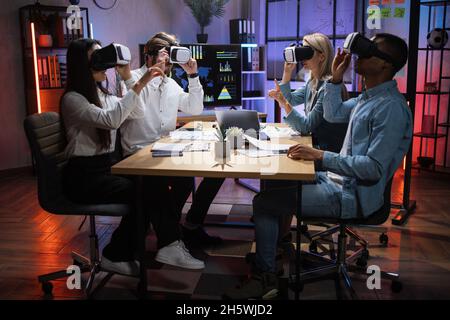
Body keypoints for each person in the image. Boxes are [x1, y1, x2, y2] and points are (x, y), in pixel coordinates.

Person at [224, 33, 413, 299]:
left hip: (351, 194)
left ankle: (266, 278)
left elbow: (373, 168)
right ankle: (277, 248)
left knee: (264, 203)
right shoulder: (368, 98)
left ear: (385, 65)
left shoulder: (390, 108)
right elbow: (334, 113)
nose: (359, 56)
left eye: (368, 52)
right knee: (277, 180)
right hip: (336, 178)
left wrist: (321, 156)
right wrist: (336, 77)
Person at [60, 38, 165, 276]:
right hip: (83, 177)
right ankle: (115, 255)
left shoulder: (103, 94)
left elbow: (136, 111)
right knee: (142, 193)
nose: (102, 63)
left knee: (154, 184)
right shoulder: (73, 99)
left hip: (106, 168)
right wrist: (141, 82)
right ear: (81, 64)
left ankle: (167, 244)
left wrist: (127, 76)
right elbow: (112, 120)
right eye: (96, 58)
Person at [267, 33, 348, 249]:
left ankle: (276, 228)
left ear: (321, 56)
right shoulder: (314, 81)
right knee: (273, 176)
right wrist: (286, 73)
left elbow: (306, 125)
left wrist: (283, 103)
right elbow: (292, 98)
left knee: (278, 174)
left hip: (325, 155)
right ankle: (279, 233)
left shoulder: (330, 86)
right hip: (314, 147)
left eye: (306, 50)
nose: (302, 54)